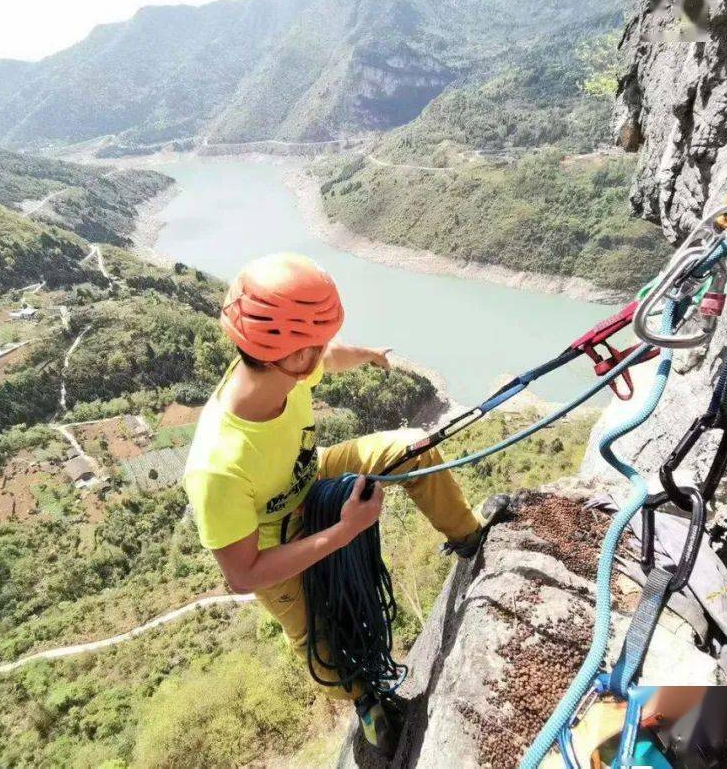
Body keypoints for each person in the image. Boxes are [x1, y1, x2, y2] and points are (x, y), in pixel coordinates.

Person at [183, 252, 510, 749]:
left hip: (310, 478)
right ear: (293, 357)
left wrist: (369, 355)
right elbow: (243, 573)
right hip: (272, 544)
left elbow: (327, 360)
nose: (323, 352)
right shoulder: (218, 467)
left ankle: (470, 539)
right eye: (315, 344)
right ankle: (365, 698)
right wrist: (343, 532)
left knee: (408, 451)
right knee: (321, 644)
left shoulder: (283, 368)